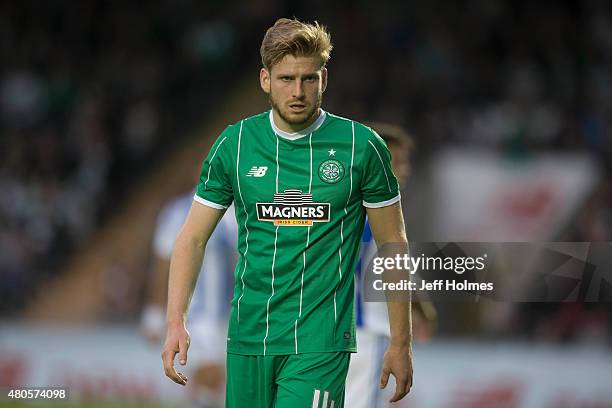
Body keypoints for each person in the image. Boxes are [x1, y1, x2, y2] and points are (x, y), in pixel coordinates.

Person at [162, 18, 413, 408]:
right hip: (248, 336)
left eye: (308, 79)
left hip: (321, 342)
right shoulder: (235, 144)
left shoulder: (362, 147)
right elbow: (192, 238)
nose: (298, 91)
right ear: (265, 79)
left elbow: (393, 244)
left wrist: (401, 341)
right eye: (286, 79)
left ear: (323, 79)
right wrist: (175, 321)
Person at [346, 123, 436, 408]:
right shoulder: (371, 211)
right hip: (367, 332)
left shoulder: (340, 207)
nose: (404, 169)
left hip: (333, 335)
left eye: (405, 162)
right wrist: (422, 309)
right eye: (395, 162)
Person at [143, 191, 237, 408]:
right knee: (210, 376)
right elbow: (162, 262)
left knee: (221, 383)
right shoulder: (177, 212)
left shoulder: (234, 212)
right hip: (195, 314)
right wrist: (154, 312)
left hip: (229, 314)